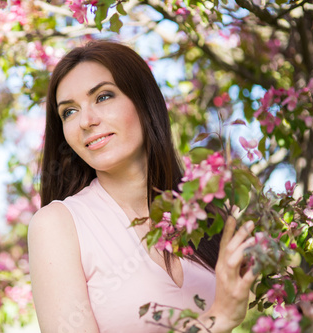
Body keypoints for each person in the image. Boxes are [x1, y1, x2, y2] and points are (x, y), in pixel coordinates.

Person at [28, 40, 256, 333]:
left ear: (144, 101)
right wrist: (218, 318)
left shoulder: (206, 212)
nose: (86, 121)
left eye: (103, 97)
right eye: (69, 112)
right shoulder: (58, 225)